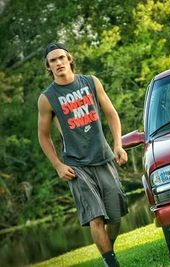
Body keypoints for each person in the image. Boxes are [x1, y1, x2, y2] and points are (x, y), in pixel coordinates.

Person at [37, 43, 128, 267]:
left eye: (60, 58)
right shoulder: (47, 98)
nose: (58, 63)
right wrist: (58, 165)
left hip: (103, 157)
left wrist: (118, 144)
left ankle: (108, 252)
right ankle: (112, 263)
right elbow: (43, 136)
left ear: (69, 58)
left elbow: (111, 114)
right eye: (52, 61)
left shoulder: (91, 82)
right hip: (76, 165)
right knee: (95, 217)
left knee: (115, 217)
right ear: (48, 67)